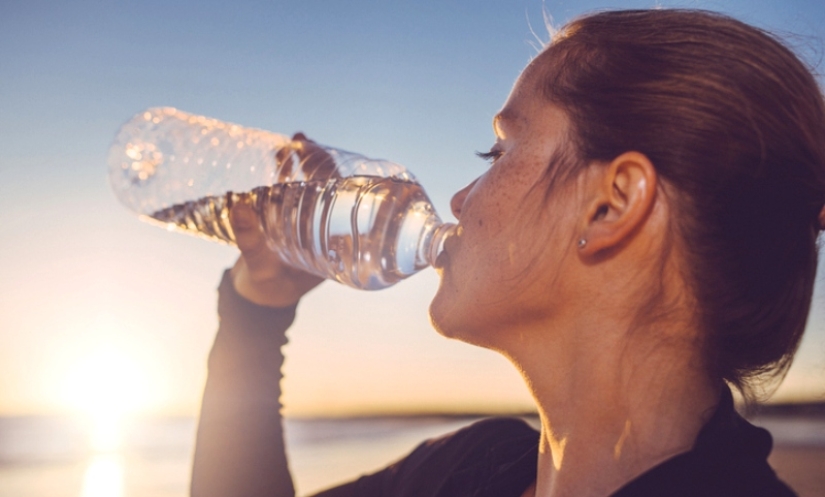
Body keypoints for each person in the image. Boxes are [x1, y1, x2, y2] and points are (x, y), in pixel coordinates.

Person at [190, 9, 825, 497]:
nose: (460, 199)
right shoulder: (469, 468)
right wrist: (256, 310)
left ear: (611, 205)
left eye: (498, 152)